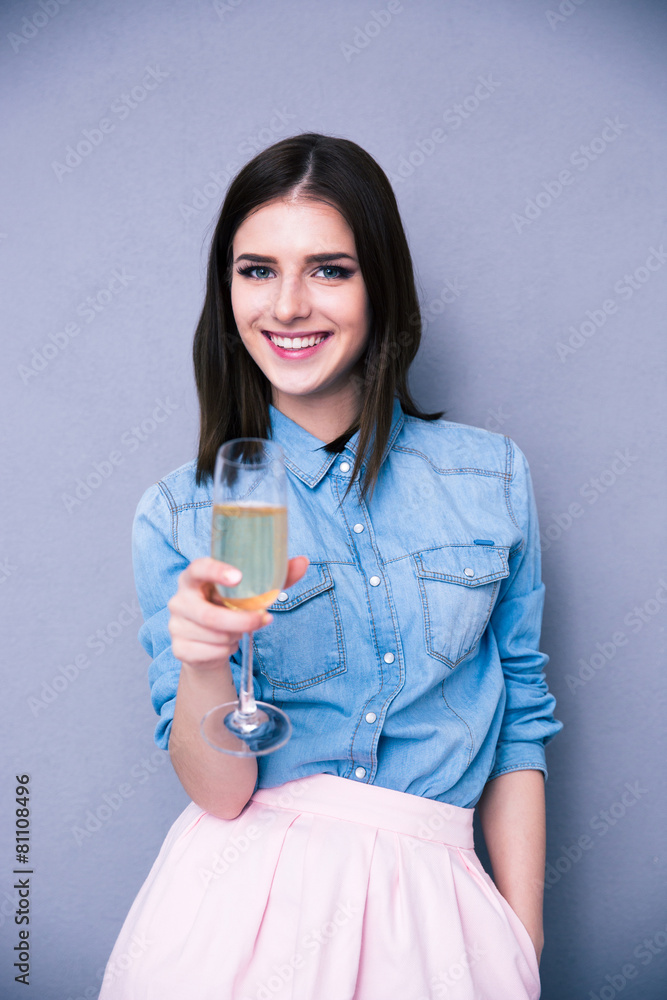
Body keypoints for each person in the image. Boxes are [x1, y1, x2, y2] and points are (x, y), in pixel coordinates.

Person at [99, 132, 562, 1000]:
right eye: (256, 270)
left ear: (379, 283)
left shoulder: (490, 477)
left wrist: (520, 940)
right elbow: (221, 794)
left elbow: (519, 725)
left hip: (442, 920)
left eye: (329, 269)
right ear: (226, 291)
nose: (287, 305)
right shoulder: (182, 512)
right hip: (239, 917)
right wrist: (204, 661)